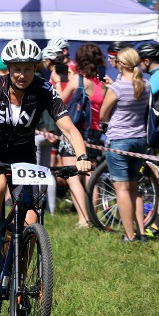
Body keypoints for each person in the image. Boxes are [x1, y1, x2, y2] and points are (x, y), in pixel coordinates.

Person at [0, 39, 91, 280]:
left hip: (23, 153)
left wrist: (82, 156)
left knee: (30, 217)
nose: (22, 75)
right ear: (9, 69)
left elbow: (70, 129)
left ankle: (19, 281)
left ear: (36, 68)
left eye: (29, 69)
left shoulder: (43, 90)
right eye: (17, 69)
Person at [99, 47, 151, 242]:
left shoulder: (118, 88)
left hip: (119, 140)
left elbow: (104, 114)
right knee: (134, 187)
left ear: (120, 64)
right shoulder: (144, 84)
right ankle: (142, 232)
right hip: (139, 140)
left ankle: (129, 235)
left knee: (121, 189)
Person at [55, 43, 107, 227]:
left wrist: (56, 80)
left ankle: (83, 219)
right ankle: (93, 217)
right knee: (90, 175)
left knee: (72, 176)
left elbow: (59, 100)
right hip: (93, 132)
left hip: (75, 130)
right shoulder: (102, 80)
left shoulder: (78, 79)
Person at [138, 41, 159, 238]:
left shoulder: (158, 77)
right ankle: (157, 225)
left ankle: (156, 227)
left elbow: (139, 95)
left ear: (147, 61)